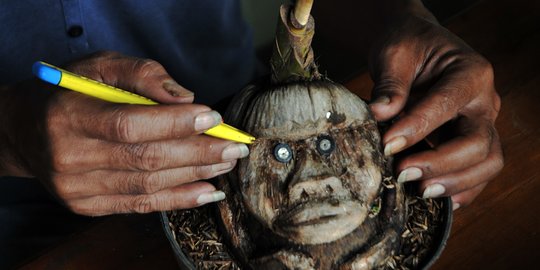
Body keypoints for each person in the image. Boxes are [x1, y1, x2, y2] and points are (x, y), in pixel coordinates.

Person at [0, 0, 503, 267]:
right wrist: (8, 130)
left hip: (226, 127)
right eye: (285, 155)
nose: (310, 180)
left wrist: (402, 15)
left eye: (327, 144)